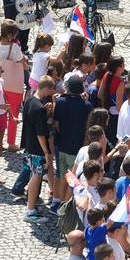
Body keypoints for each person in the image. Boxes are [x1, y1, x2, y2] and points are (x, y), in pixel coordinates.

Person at [19, 76, 55, 224]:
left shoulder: (29, 100)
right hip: (37, 148)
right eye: (51, 90)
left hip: (29, 144)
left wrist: (45, 113)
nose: (51, 93)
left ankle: (31, 204)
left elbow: (32, 123)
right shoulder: (39, 108)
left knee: (34, 175)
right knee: (36, 176)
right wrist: (47, 153)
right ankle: (30, 209)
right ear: (46, 88)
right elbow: (41, 134)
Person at [52, 75, 92, 203]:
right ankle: (66, 203)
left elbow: (56, 123)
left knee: (61, 175)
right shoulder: (86, 105)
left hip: (62, 144)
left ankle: (57, 201)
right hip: (76, 148)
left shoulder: (60, 102)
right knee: (72, 178)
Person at [0, 20, 27, 151]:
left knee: (0, 114)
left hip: (1, 83)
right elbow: (21, 60)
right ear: (10, 34)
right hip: (14, 85)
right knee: (13, 115)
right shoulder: (15, 48)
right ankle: (11, 143)